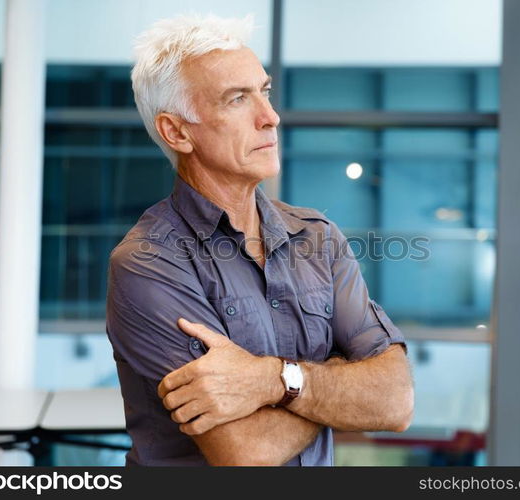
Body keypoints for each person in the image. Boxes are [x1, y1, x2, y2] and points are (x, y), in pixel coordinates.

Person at [105, 13, 414, 466]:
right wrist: (338, 387)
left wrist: (272, 380)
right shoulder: (148, 263)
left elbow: (395, 400)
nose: (270, 117)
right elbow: (245, 451)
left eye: (264, 91)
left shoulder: (317, 237)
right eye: (237, 99)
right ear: (177, 132)